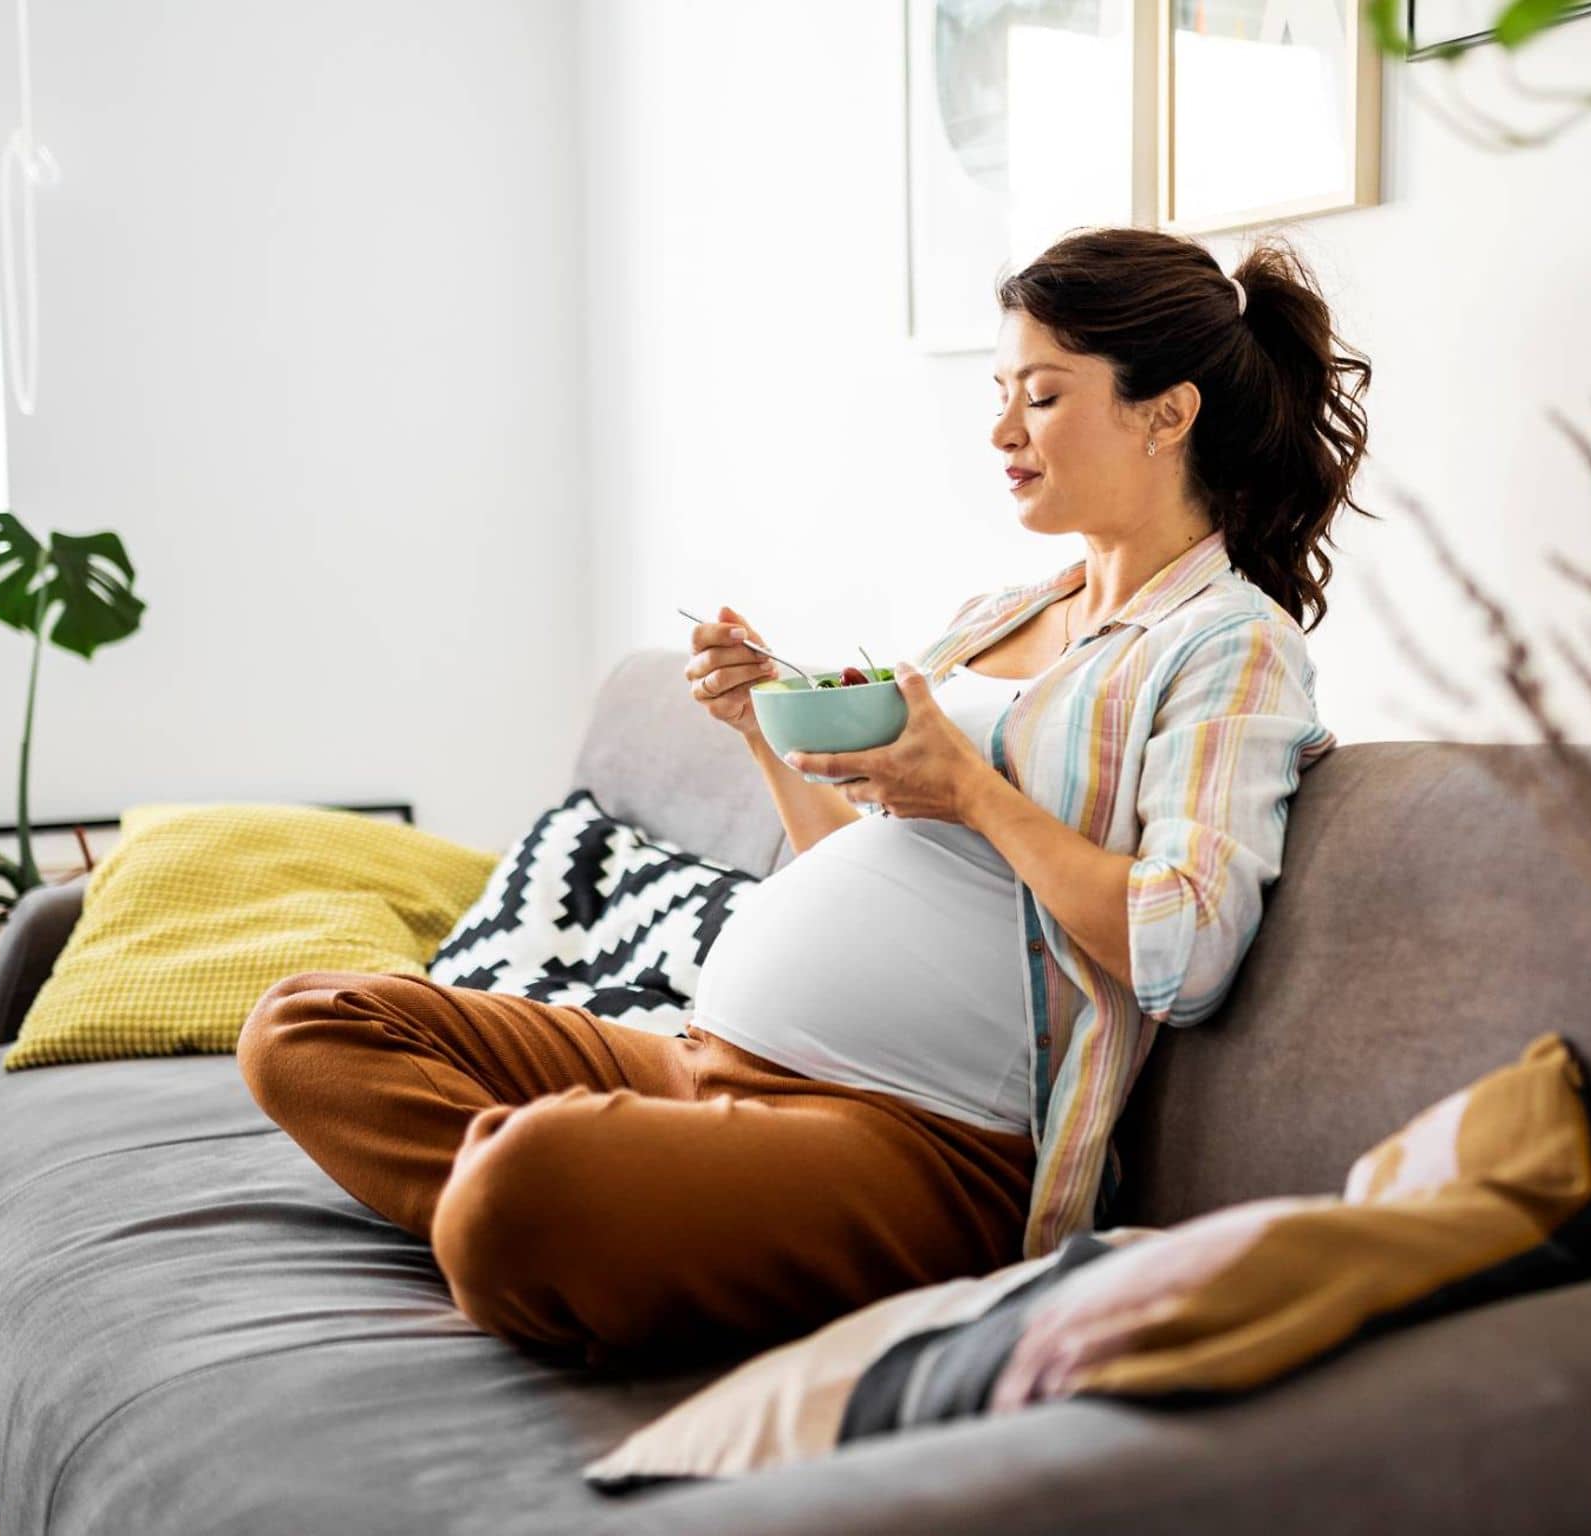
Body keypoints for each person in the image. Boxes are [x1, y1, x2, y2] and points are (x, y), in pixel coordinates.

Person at [236, 225, 1374, 1368]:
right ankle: (637, 1218)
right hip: (700, 1064)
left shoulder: (1225, 645)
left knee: (520, 1187)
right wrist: (761, 733)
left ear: (1163, 414)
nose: (999, 432)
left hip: (911, 1139)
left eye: (1039, 395)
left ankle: (572, 1211)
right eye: (997, 392)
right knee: (306, 1027)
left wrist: (975, 794)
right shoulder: (998, 614)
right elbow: (861, 856)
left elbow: (1188, 948)